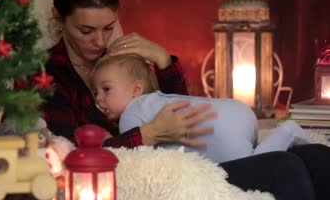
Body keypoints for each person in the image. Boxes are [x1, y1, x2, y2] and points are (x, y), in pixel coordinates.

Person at [42, 0, 330, 200]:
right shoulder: (48, 77)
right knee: (285, 168)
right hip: (144, 178)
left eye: (108, 28)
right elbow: (73, 157)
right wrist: (147, 133)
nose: (100, 41)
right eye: (86, 30)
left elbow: (175, 107)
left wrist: (163, 61)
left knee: (316, 157)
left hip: (188, 157)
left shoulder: (119, 58)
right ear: (59, 18)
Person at [90, 53, 310, 163]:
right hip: (236, 110)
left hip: (226, 134)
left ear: (136, 89)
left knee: (249, 164)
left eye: (106, 89)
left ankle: (287, 131)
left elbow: (122, 157)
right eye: (95, 92)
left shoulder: (131, 114)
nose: (98, 99)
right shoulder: (156, 100)